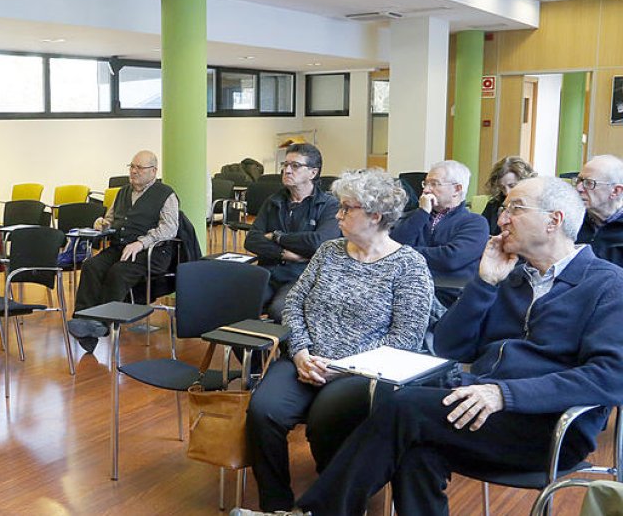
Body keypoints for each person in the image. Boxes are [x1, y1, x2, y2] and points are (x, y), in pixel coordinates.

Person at [232, 176, 623, 516]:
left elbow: (611, 377)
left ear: (553, 221)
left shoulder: (606, 284)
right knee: (416, 452)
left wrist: (504, 393)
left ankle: (315, 512)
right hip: (482, 412)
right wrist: (484, 284)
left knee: (403, 407)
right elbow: (452, 345)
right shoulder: (514, 278)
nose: (501, 219)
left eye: (514, 209)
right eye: (503, 208)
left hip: (548, 427)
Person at [245, 169, 433, 512]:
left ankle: (332, 503)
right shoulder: (330, 251)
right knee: (263, 411)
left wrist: (340, 369)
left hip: (361, 375)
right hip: (306, 359)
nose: (338, 215)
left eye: (347, 208)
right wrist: (300, 353)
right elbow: (294, 302)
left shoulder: (409, 266)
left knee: (324, 421)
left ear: (375, 216)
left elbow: (404, 338)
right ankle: (277, 505)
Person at [66, 150, 178, 352]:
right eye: (132, 167)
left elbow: (169, 228)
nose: (134, 172)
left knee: (118, 272)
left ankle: (102, 323)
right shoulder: (122, 192)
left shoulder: (166, 194)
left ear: (153, 171)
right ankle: (83, 319)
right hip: (120, 247)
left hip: (150, 252)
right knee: (92, 265)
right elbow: (110, 219)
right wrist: (102, 223)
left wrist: (142, 242)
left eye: (139, 168)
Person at [244, 143, 340, 321]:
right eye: (285, 165)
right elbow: (252, 240)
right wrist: (285, 254)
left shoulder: (329, 205)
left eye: (295, 166)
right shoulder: (273, 201)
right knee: (237, 306)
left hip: (302, 277)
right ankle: (255, 349)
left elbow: (319, 243)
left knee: (280, 311)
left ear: (313, 172)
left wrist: (276, 236)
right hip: (268, 273)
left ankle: (290, 350)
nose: (287, 170)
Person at [390, 159, 489, 289]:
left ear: (456, 189)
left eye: (434, 184)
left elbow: (451, 259)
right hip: (408, 288)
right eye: (425, 184)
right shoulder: (415, 217)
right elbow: (392, 247)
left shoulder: (475, 223)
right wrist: (422, 213)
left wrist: (405, 253)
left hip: (447, 293)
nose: (425, 190)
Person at [574, 154, 623, 268]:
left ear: (615, 191)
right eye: (579, 180)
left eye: (589, 183)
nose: (579, 188)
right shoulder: (571, 222)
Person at [480, 155, 536, 236]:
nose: (507, 192)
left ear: (525, 181)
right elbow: (482, 232)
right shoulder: (493, 205)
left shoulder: (535, 206)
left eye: (512, 186)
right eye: (502, 187)